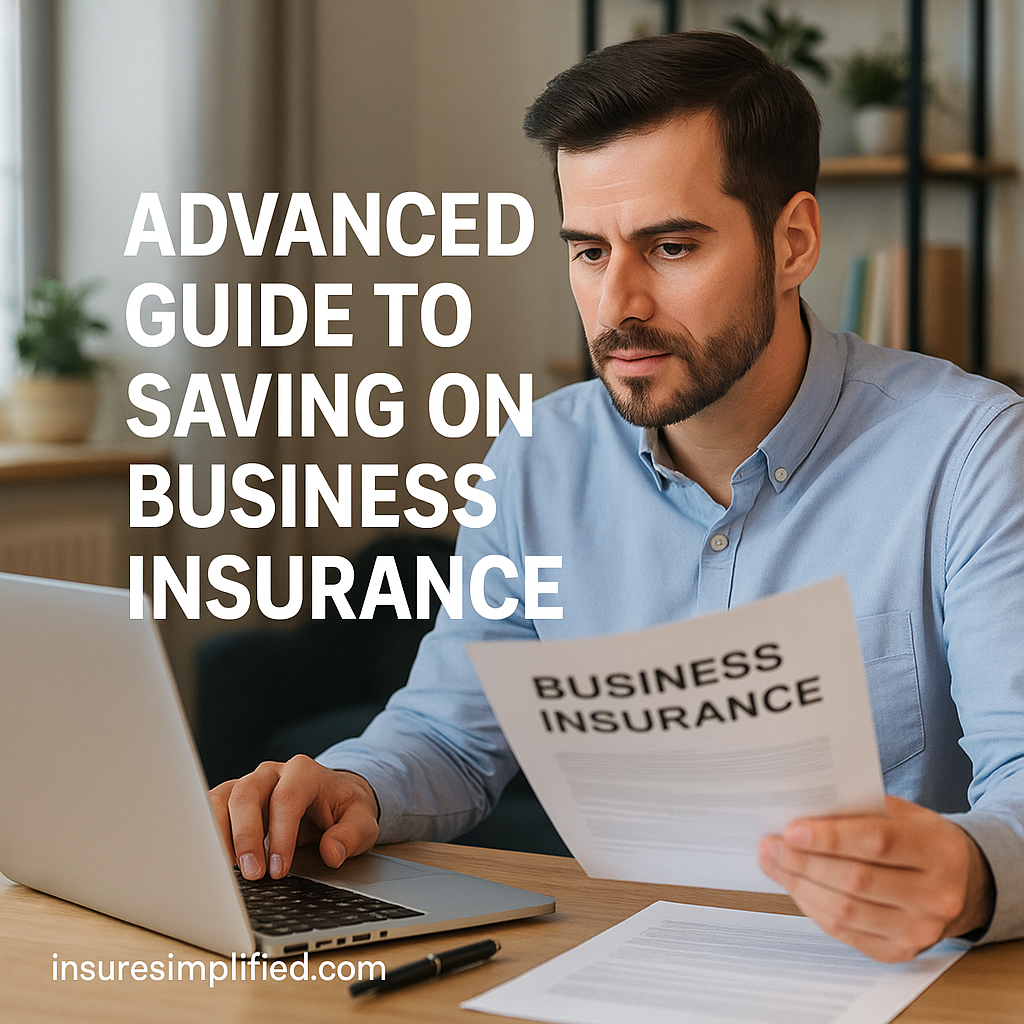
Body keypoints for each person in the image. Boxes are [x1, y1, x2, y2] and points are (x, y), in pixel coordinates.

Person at [211, 31, 1024, 964]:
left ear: (792, 242)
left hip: (895, 978)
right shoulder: (536, 459)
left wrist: (970, 870)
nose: (619, 303)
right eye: (588, 251)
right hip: (618, 966)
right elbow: (450, 731)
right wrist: (350, 786)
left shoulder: (970, 453)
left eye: (670, 246)